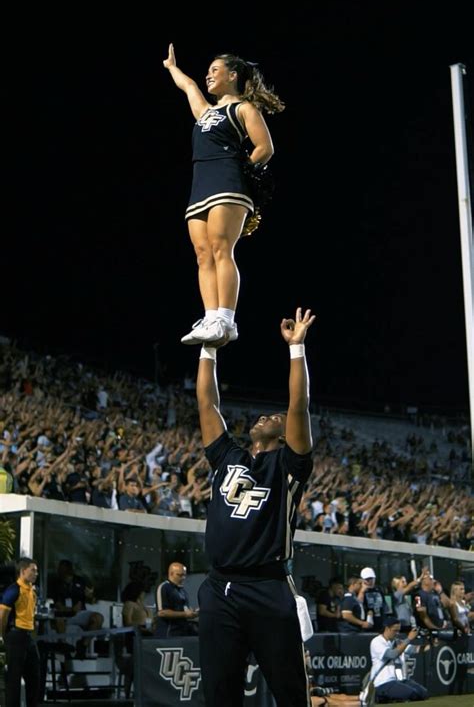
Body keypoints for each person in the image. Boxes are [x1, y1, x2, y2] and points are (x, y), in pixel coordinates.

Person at [196, 306, 315, 707]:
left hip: (267, 587)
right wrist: (209, 347)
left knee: (290, 694)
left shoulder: (289, 465)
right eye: (266, 415)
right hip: (219, 587)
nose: (268, 416)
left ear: (284, 435)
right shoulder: (228, 456)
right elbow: (207, 403)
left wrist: (296, 349)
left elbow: (298, 406)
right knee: (219, 694)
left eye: (274, 417)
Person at [163, 43, 284, 346]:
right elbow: (189, 86)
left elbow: (265, 148)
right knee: (202, 254)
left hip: (228, 182)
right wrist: (171, 68)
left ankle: (227, 319)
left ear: (232, 75)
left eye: (214, 70)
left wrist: (244, 171)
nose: (208, 75)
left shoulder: (242, 108)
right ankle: (211, 316)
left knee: (220, 248)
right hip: (200, 184)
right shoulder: (204, 112)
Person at [0, 557, 41, 707]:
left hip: (28, 636)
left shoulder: (32, 590)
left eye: (36, 571)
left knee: (34, 676)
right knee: (14, 678)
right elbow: (2, 615)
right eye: (33, 570)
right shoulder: (13, 590)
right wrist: (2, 636)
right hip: (16, 635)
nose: (36, 574)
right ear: (23, 571)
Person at [364, 616, 428, 703]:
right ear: (387, 629)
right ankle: (380, 697)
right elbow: (392, 654)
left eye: (398, 630)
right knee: (412, 694)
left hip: (397, 680)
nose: (397, 633)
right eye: (395, 630)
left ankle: (391, 698)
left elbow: (415, 649)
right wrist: (408, 638)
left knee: (423, 693)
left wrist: (431, 643)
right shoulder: (377, 641)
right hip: (382, 682)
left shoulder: (396, 641)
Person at [155, 562, 198, 637]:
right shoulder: (164, 587)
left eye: (184, 575)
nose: (183, 578)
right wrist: (185, 614)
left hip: (182, 630)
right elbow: (162, 612)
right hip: (169, 632)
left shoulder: (181, 590)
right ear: (171, 574)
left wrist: (192, 612)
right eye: (180, 575)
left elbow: (183, 609)